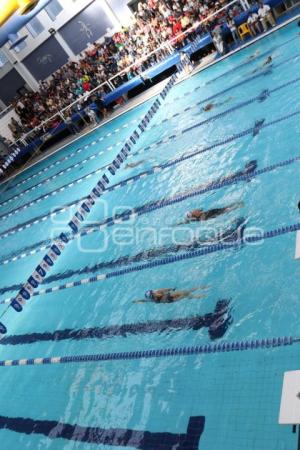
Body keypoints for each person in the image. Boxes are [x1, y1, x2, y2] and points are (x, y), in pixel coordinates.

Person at [175, 201, 244, 225]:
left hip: (212, 211)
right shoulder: (201, 217)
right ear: (194, 215)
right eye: (192, 212)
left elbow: (187, 221)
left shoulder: (197, 216)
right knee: (225, 210)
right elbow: (203, 218)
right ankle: (238, 206)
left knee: (225, 208)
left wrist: (178, 224)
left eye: (192, 211)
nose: (193, 210)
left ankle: (238, 204)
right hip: (214, 214)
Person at [134, 286, 210, 304]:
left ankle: (203, 288)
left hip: (168, 295)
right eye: (153, 295)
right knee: (185, 295)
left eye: (153, 293)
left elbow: (165, 289)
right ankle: (202, 296)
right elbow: (144, 300)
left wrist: (171, 289)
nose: (154, 294)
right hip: (170, 299)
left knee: (186, 292)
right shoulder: (152, 299)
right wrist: (137, 301)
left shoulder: (157, 292)